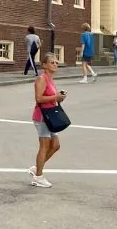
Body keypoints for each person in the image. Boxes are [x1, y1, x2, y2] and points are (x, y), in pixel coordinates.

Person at [29, 52, 67, 188]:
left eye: (56, 62)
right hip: (42, 116)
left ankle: (36, 169)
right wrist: (55, 97)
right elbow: (38, 99)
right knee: (44, 146)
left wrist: (59, 97)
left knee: (55, 145)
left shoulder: (50, 79)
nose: (55, 64)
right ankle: (38, 177)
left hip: (50, 116)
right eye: (52, 62)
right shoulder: (42, 79)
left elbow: (51, 97)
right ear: (44, 65)